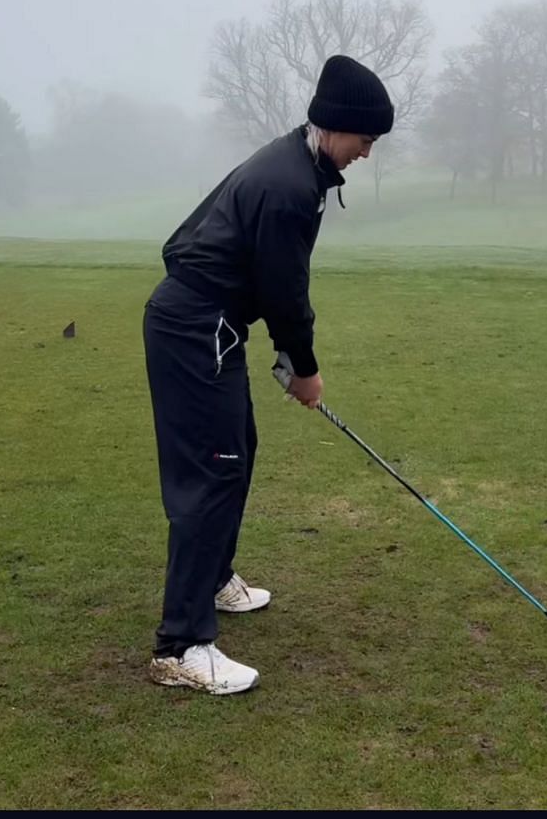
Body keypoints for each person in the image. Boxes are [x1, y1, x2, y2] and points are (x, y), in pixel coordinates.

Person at [143, 54, 394, 695]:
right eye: (366, 140)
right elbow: (286, 293)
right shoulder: (288, 185)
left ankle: (215, 579)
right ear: (337, 127)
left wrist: (274, 346)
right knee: (212, 471)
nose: (367, 153)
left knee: (237, 452)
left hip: (210, 323)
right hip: (197, 327)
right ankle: (181, 646)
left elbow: (226, 257)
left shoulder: (296, 163)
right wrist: (304, 368)